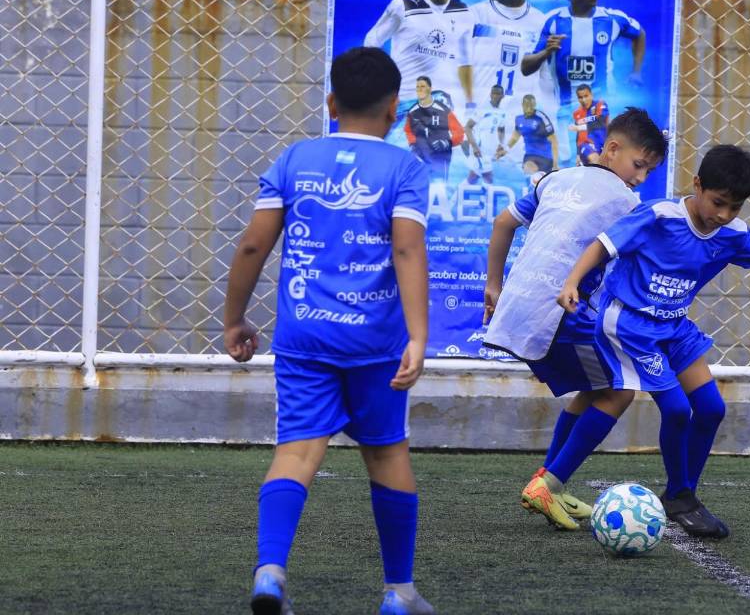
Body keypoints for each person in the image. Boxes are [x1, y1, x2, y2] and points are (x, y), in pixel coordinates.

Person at [222, 47, 434, 615]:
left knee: (295, 452)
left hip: (304, 339)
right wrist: (418, 335)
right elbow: (408, 248)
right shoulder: (404, 169)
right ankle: (398, 592)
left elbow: (252, 244)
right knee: (387, 455)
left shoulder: (294, 159)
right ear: (395, 109)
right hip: (376, 345)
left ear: (331, 102)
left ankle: (269, 572)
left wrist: (234, 318)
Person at [553, 144, 750, 538]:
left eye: (736, 207)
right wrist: (572, 281)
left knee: (710, 409)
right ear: (696, 185)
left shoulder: (731, 233)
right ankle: (672, 493)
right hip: (629, 324)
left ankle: (679, 495)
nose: (724, 215)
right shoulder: (660, 216)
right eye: (718, 203)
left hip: (673, 327)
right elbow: (602, 244)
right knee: (674, 409)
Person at [482, 108, 668, 531]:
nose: (640, 178)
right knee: (619, 390)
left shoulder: (555, 179)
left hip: (517, 306)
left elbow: (502, 223)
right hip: (561, 311)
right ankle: (551, 482)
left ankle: (551, 484)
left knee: (592, 388)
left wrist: (493, 284)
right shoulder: (626, 203)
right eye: (639, 165)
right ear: (613, 148)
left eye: (649, 171)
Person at [521, 0, 645, 165]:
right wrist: (546, 51)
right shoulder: (553, 21)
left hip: (602, 112)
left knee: (603, 164)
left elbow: (639, 34)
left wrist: (636, 72)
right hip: (566, 113)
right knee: (567, 165)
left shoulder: (612, 19)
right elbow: (526, 67)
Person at [364, 0, 473, 145]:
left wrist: (470, 102)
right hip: (402, 101)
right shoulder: (403, 4)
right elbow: (372, 40)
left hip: (440, 104)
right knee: (396, 154)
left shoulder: (464, 13)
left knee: (435, 161)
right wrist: (379, 82)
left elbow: (465, 62)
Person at [457, 0, 555, 109]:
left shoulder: (541, 23)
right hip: (477, 122)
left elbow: (546, 82)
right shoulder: (473, 16)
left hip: (520, 125)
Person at [404, 75, 464, 184]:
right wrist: (413, 144)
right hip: (420, 156)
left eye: (423, 86)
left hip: (440, 156)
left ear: (430, 89)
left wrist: (447, 143)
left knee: (439, 187)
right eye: (417, 87)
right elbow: (408, 130)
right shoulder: (412, 111)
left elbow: (459, 132)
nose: (419, 89)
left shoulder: (443, 109)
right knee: (420, 186)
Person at [497, 94, 558, 181]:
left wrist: (555, 163)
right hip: (530, 156)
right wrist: (505, 150)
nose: (529, 108)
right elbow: (515, 137)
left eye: (531, 106)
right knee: (529, 173)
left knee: (543, 184)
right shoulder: (519, 119)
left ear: (535, 105)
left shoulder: (541, 118)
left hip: (545, 157)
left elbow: (554, 140)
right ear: (522, 105)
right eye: (527, 105)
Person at [463, 83, 508, 186]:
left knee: (473, 178)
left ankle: (455, 199)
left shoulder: (502, 112)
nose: (495, 96)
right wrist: (474, 147)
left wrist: (501, 144)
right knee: (488, 177)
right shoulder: (483, 109)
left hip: (490, 151)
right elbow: (467, 127)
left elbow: (501, 129)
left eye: (498, 94)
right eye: (493, 93)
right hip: (479, 150)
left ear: (503, 96)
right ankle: (486, 200)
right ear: (490, 95)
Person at [569, 83, 609, 166]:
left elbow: (601, 123)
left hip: (603, 145)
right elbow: (579, 136)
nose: (583, 100)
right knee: (596, 161)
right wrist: (577, 154)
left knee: (599, 168)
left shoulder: (600, 105)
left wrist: (579, 128)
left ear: (591, 95)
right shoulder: (577, 113)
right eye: (580, 97)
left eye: (586, 96)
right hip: (586, 145)